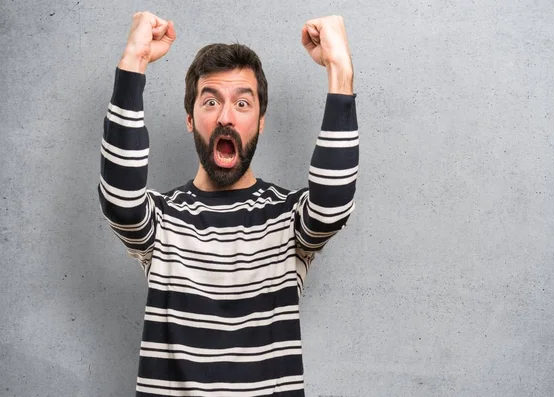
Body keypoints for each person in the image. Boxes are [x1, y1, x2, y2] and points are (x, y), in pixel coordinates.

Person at [98, 10, 359, 396]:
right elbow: (120, 200)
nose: (225, 118)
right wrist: (133, 59)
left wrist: (340, 69)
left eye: (242, 103)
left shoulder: (288, 220)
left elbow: (332, 204)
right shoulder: (164, 221)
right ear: (190, 119)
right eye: (209, 102)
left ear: (261, 120)